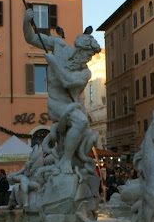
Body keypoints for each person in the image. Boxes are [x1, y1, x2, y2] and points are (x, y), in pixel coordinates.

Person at [23, 9, 101, 174]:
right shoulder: (59, 46)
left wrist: (54, 63)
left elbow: (68, 81)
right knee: (79, 122)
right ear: (80, 50)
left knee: (84, 130)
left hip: (73, 106)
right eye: (88, 55)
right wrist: (26, 22)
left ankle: (68, 159)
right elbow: (31, 38)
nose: (89, 59)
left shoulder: (85, 72)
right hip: (56, 103)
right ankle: (65, 161)